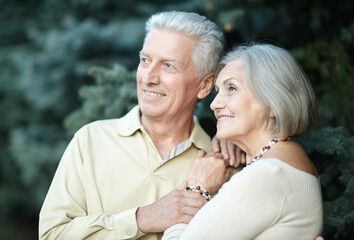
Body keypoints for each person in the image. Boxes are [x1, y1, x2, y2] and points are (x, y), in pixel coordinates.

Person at [39, 11, 236, 240]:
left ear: (204, 86)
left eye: (168, 66)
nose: (148, 77)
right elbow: (52, 235)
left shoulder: (223, 168)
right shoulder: (91, 140)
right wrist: (141, 219)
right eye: (145, 60)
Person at [162, 43, 323, 239]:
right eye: (217, 91)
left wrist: (195, 193)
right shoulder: (284, 163)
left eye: (231, 88)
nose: (214, 104)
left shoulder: (267, 175)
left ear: (272, 103)